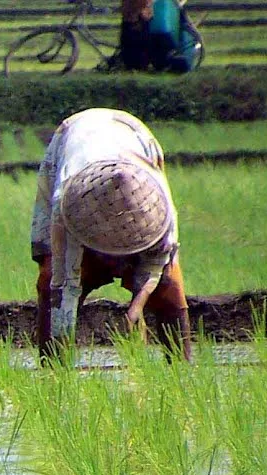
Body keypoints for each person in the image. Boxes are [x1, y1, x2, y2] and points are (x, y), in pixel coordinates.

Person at [31, 108, 190, 361]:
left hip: (132, 134)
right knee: (49, 279)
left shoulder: (157, 205)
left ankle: (181, 367)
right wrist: (60, 344)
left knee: (169, 284)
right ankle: (52, 369)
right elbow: (65, 284)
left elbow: (157, 262)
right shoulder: (68, 206)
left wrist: (136, 308)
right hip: (73, 139)